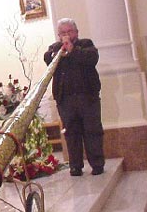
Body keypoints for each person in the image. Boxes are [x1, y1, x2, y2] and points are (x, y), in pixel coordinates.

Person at [44, 18, 105, 176]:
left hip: (88, 98)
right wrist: (59, 51)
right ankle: (75, 166)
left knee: (93, 131)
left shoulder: (86, 45)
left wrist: (72, 49)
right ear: (58, 35)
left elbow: (92, 58)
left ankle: (97, 165)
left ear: (76, 32)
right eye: (63, 33)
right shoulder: (55, 49)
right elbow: (47, 59)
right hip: (66, 100)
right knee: (71, 134)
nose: (66, 35)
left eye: (69, 31)